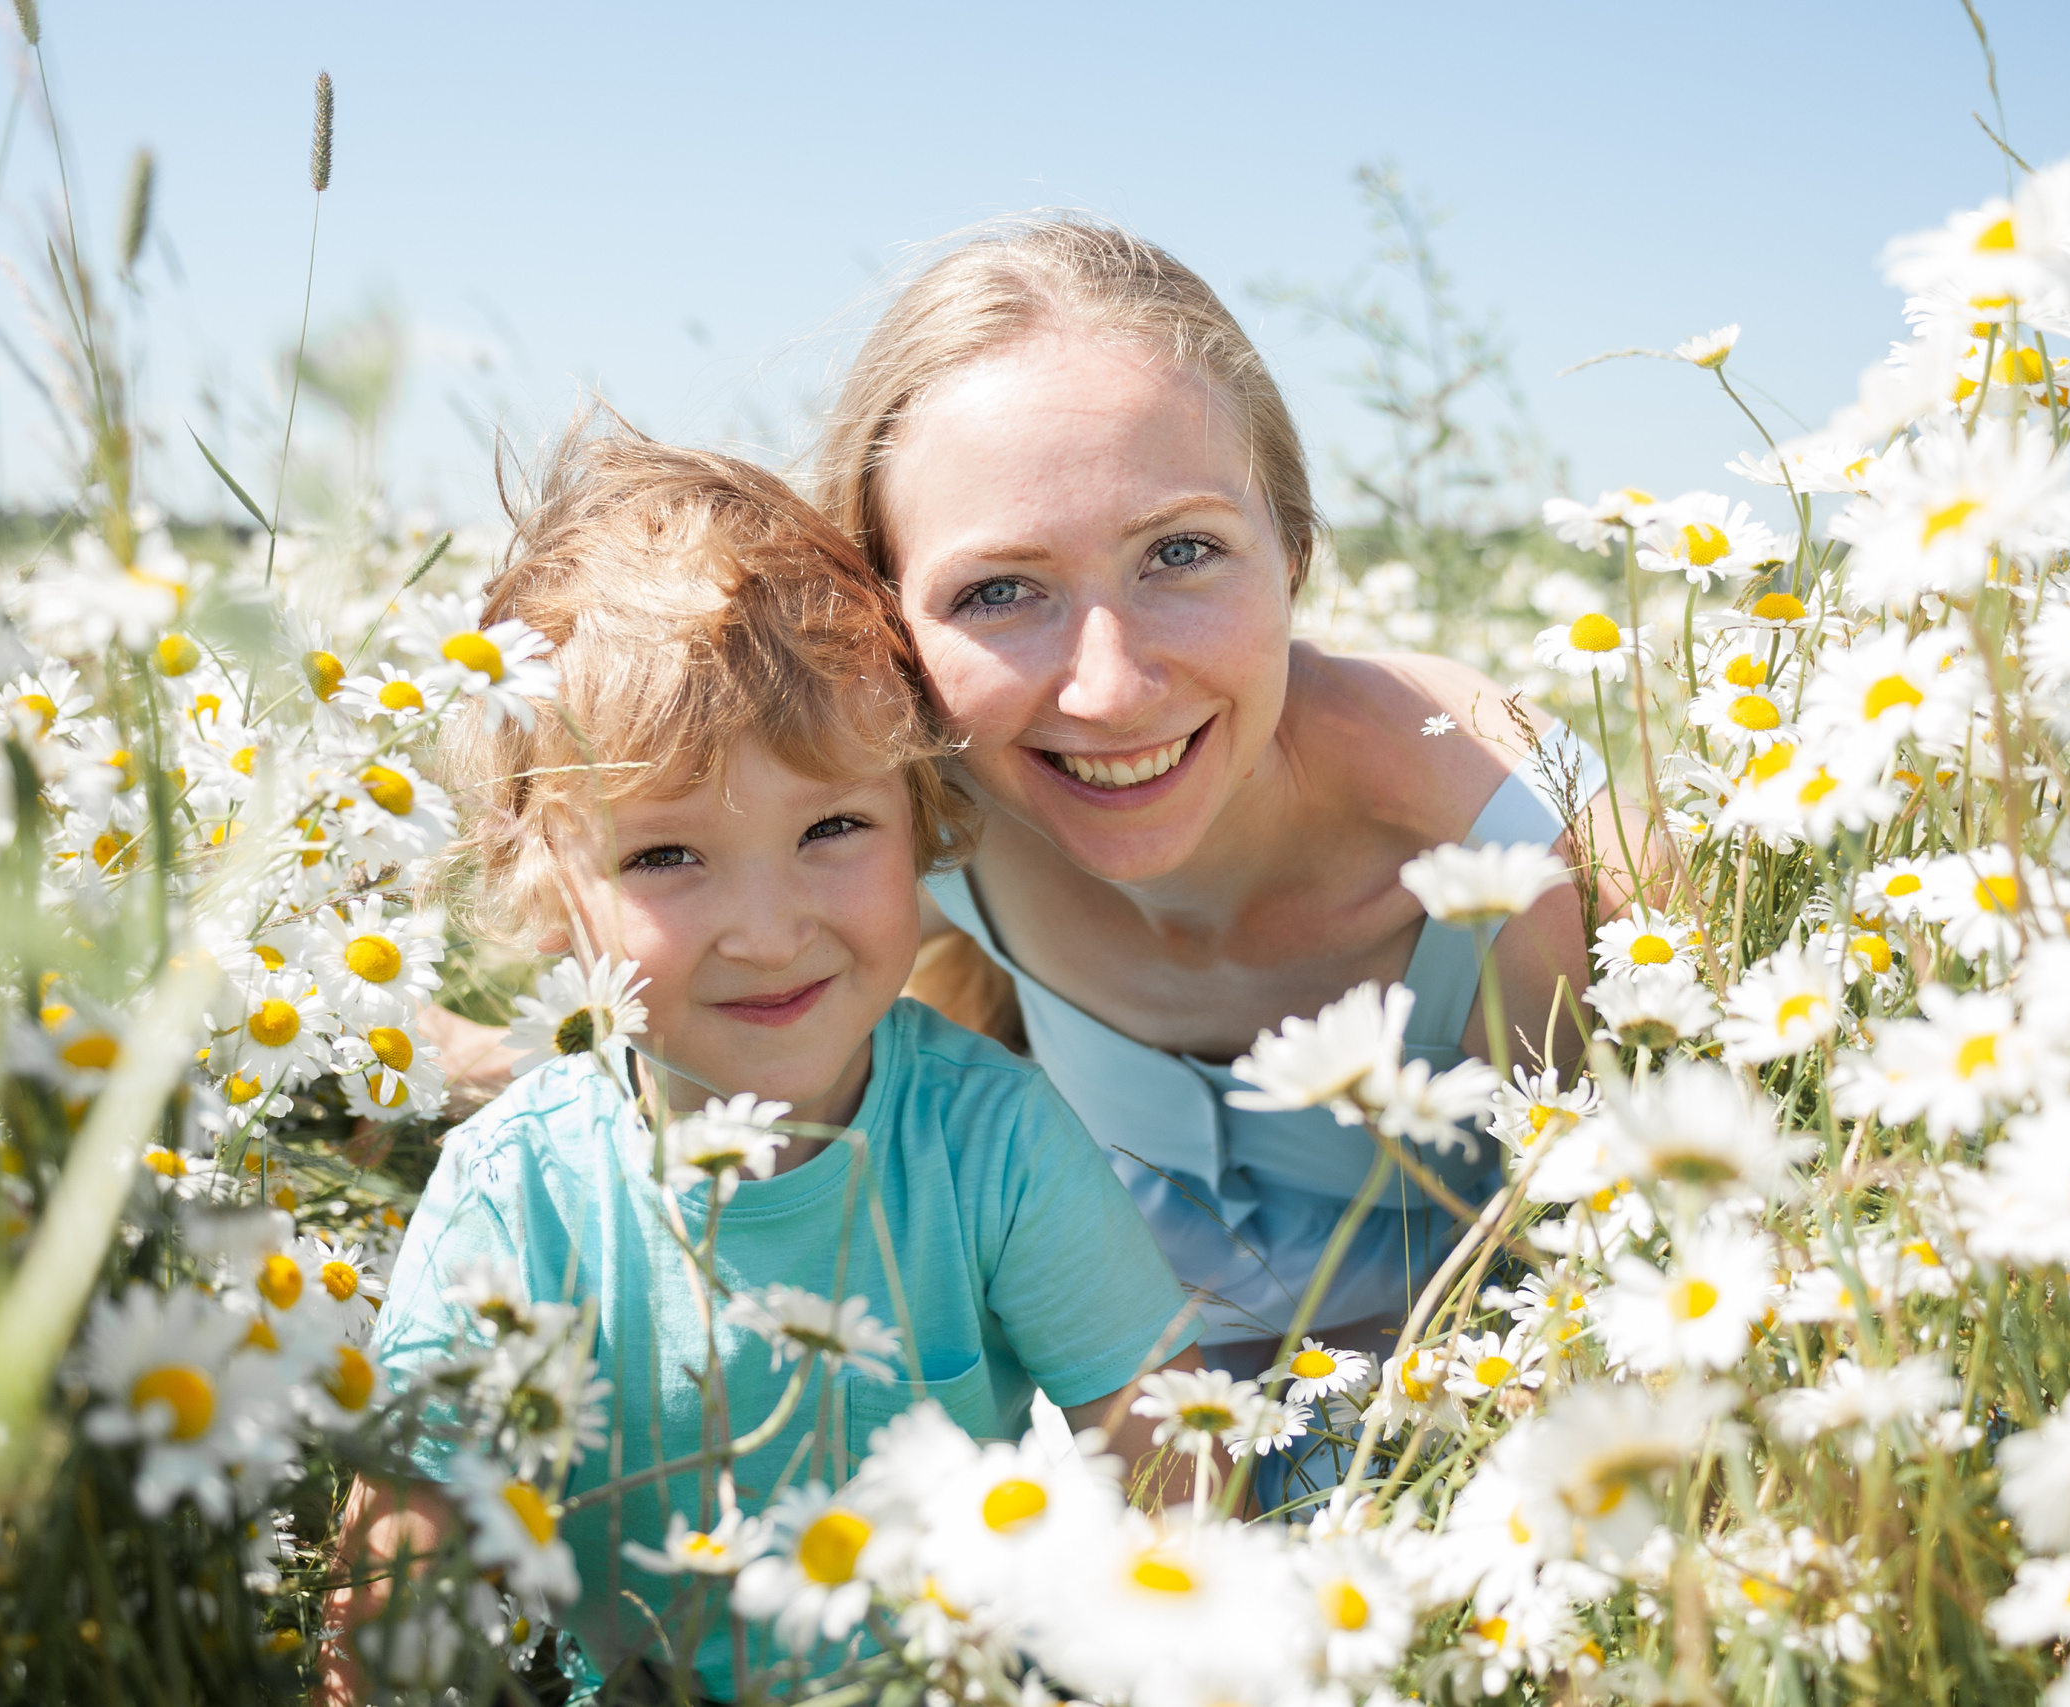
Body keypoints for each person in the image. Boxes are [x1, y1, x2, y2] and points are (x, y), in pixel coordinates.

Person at [327, 427, 1205, 1703]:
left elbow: (1169, 1456)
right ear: (542, 891)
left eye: (833, 827)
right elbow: (394, 1568)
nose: (770, 928)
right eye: (665, 858)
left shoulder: (992, 1142)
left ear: (924, 825)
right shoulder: (518, 1189)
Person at [807, 218, 1616, 1501]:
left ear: (1293, 551)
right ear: (889, 622)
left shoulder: (1505, 832)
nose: (1113, 687)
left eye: (1181, 552)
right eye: (998, 593)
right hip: (1084, 1446)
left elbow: (1639, 1289)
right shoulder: (909, 814)